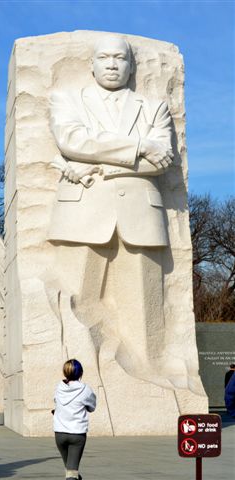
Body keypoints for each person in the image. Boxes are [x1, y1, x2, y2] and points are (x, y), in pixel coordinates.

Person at [48, 35, 174, 383]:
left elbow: (162, 162)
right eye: (104, 57)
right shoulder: (66, 99)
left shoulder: (154, 107)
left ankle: (148, 381)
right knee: (76, 305)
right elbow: (72, 141)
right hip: (82, 214)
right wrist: (139, 145)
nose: (113, 64)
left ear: (132, 66)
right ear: (91, 64)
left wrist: (98, 164)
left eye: (120, 58)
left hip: (140, 217)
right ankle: (75, 381)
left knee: (145, 318)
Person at [53, 359, 96, 480]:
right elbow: (92, 407)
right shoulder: (85, 389)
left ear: (65, 373)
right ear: (81, 373)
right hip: (77, 434)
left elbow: (56, 403)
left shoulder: (59, 388)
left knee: (69, 469)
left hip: (60, 433)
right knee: (72, 472)